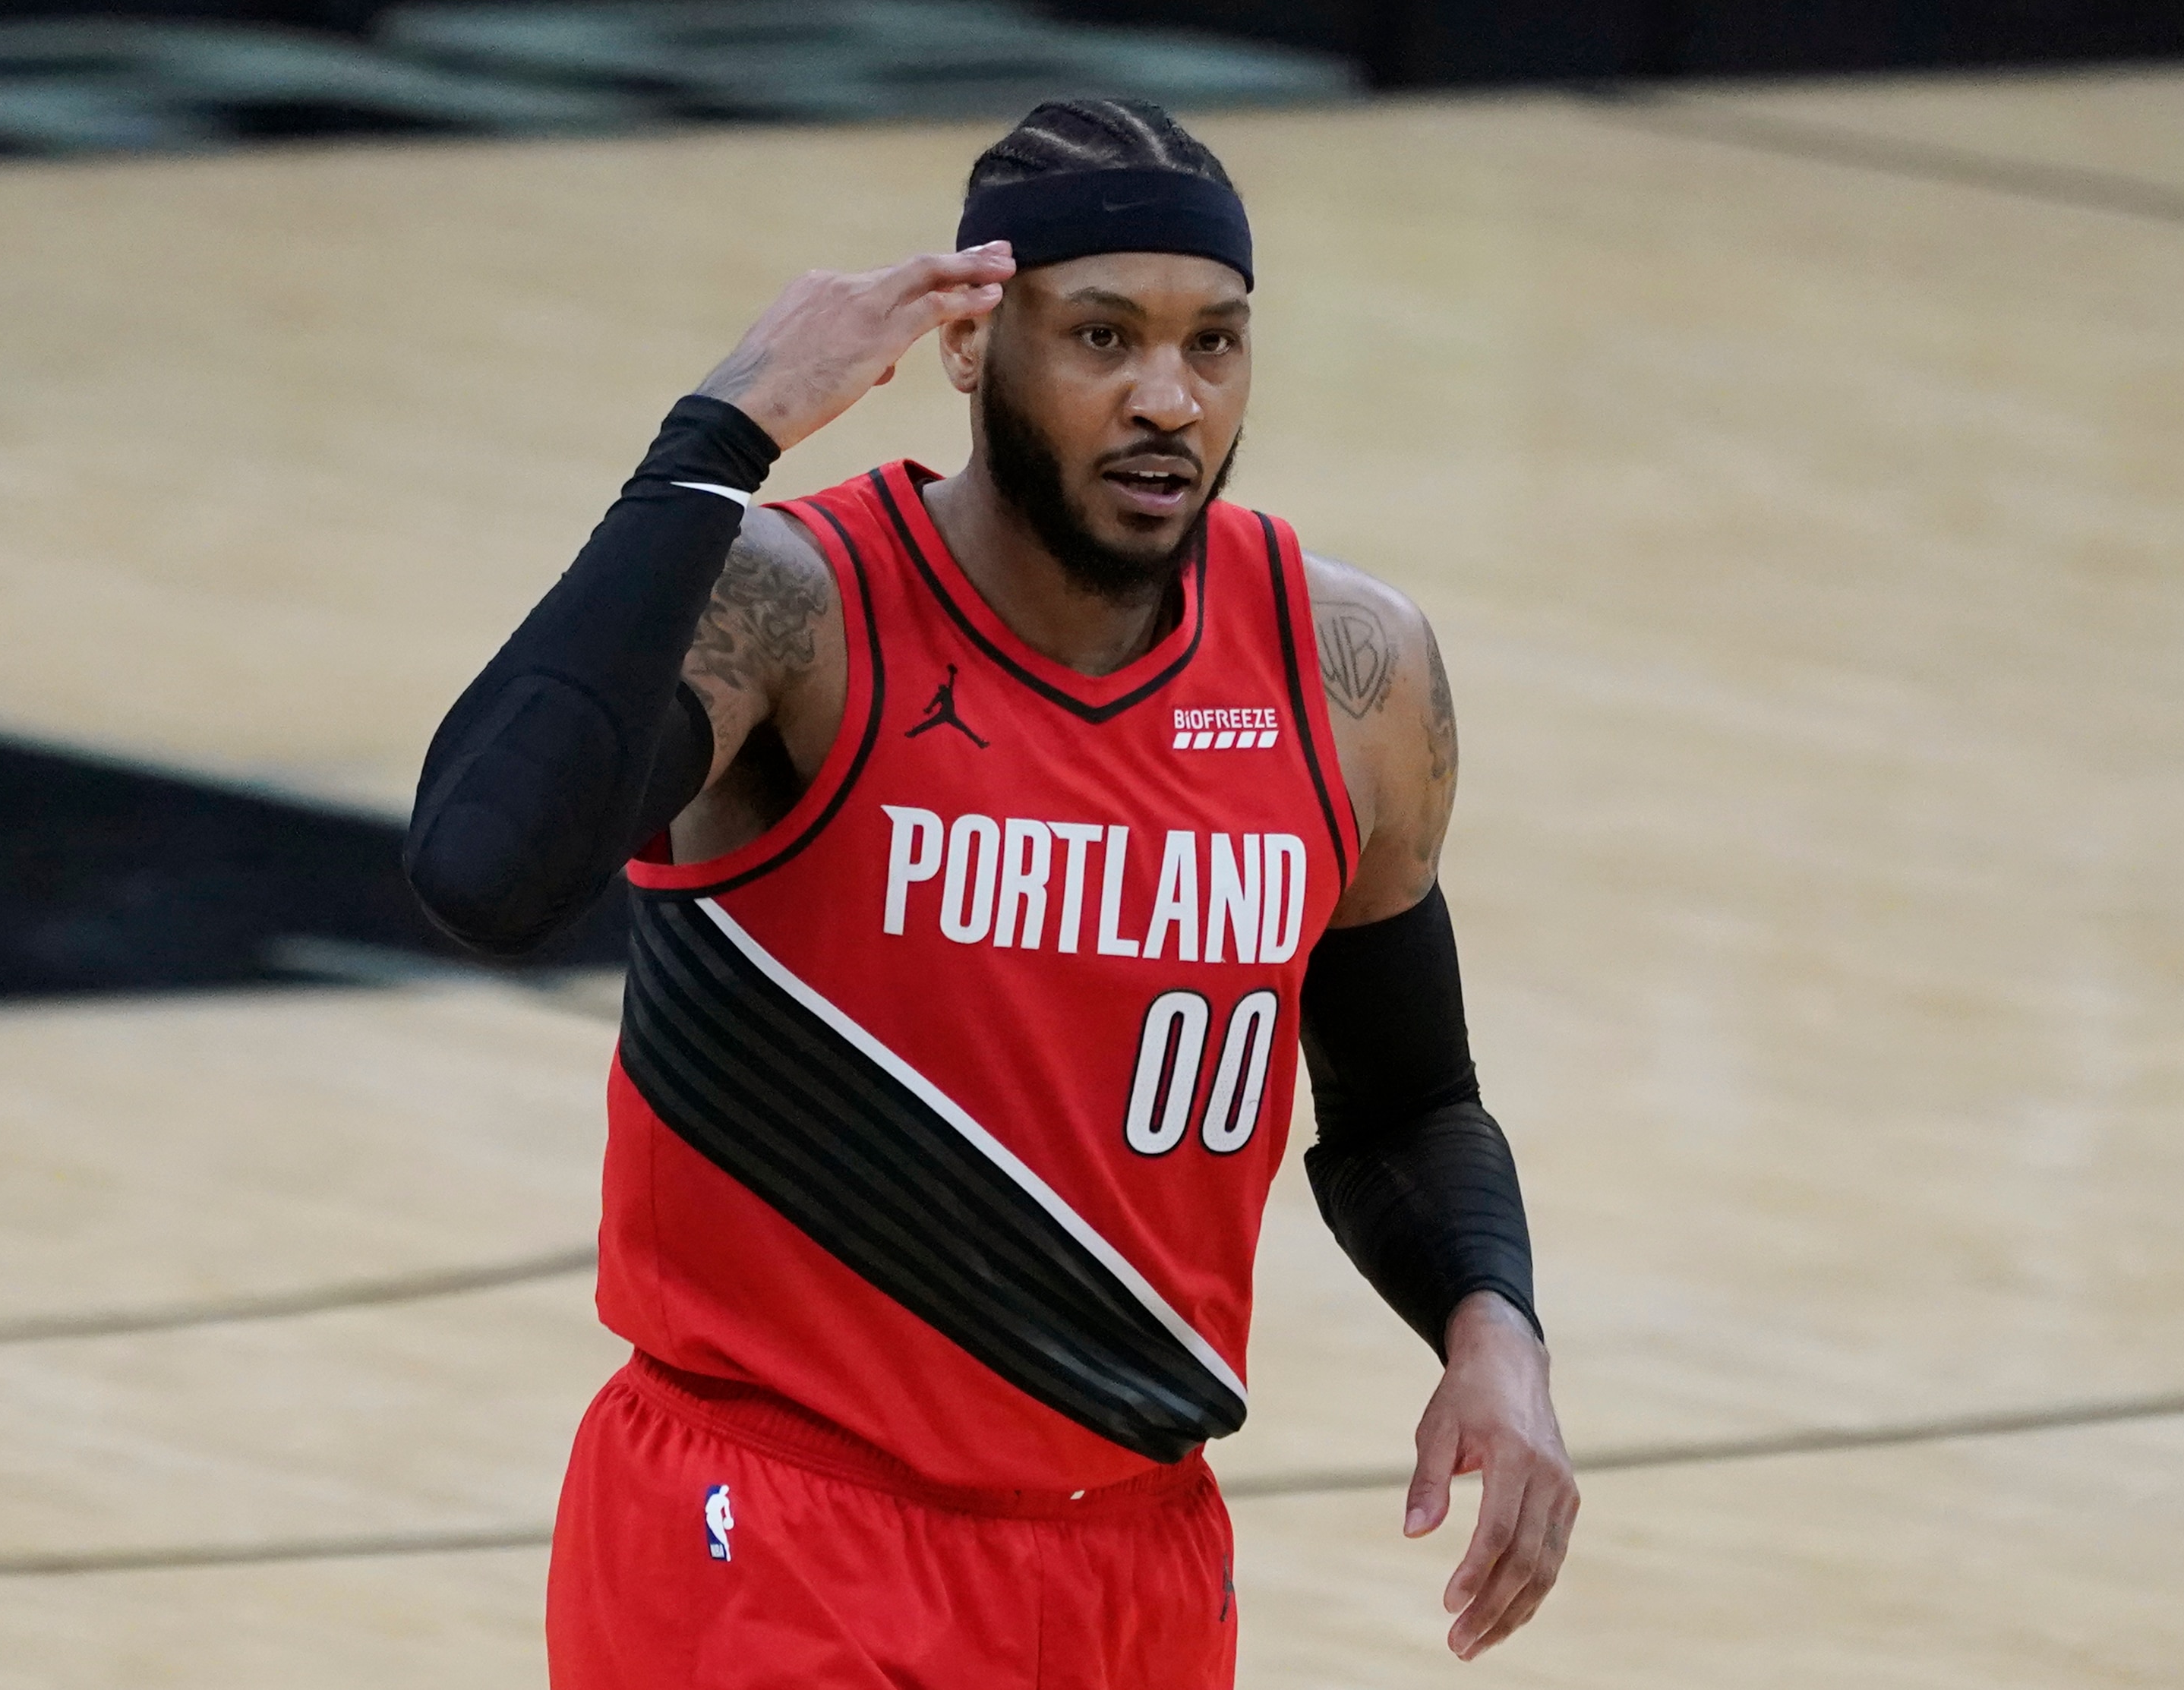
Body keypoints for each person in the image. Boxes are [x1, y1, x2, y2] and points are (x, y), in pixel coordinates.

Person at [406, 96, 1576, 1688]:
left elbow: (1401, 1103)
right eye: (1100, 336)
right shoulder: (793, 610)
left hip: (1135, 1559)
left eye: (1213, 344)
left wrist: (1488, 1327)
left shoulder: (1346, 671)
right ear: (972, 346)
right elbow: (481, 867)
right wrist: (721, 432)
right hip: (774, 1534)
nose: (1165, 397)